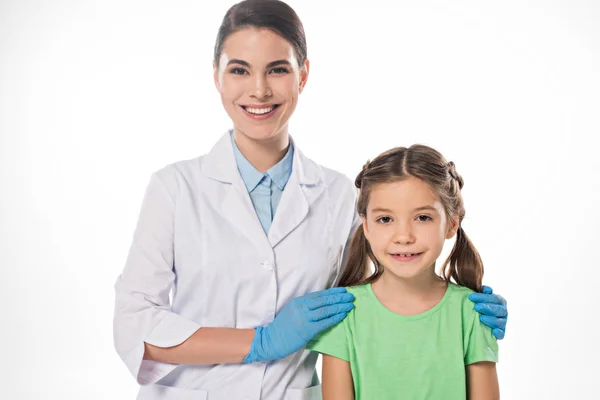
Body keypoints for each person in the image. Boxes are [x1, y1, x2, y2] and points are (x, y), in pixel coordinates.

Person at [112, 1, 508, 399]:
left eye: (278, 69)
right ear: (216, 76)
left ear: (302, 75)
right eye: (239, 69)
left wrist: (462, 308)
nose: (259, 89)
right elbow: (134, 325)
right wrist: (260, 341)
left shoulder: (340, 196)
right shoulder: (174, 189)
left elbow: (395, 274)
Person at [306, 145, 500, 400]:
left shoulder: (471, 314)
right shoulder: (344, 315)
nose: (404, 237)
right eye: (385, 219)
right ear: (365, 226)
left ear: (451, 223)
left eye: (422, 217)